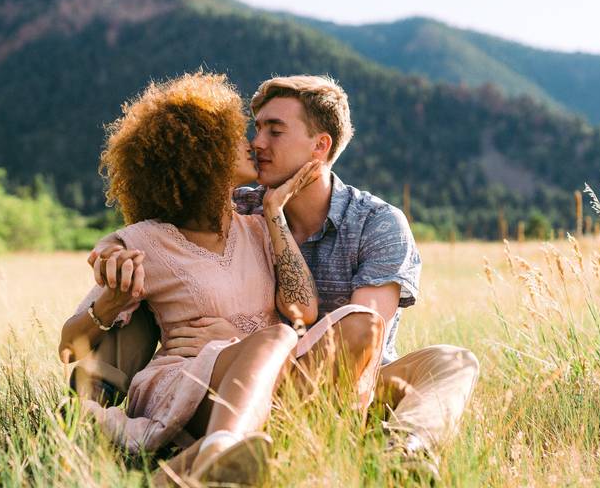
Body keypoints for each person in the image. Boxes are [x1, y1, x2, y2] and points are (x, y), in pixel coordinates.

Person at [82, 75, 480, 484]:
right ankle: (242, 444)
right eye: (256, 129)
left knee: (453, 359)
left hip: (351, 386)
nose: (257, 142)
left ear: (319, 146)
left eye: (275, 130)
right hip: (256, 380)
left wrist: (239, 339)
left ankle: (403, 456)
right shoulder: (238, 208)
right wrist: (111, 248)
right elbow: (163, 238)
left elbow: (365, 340)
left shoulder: (376, 223)